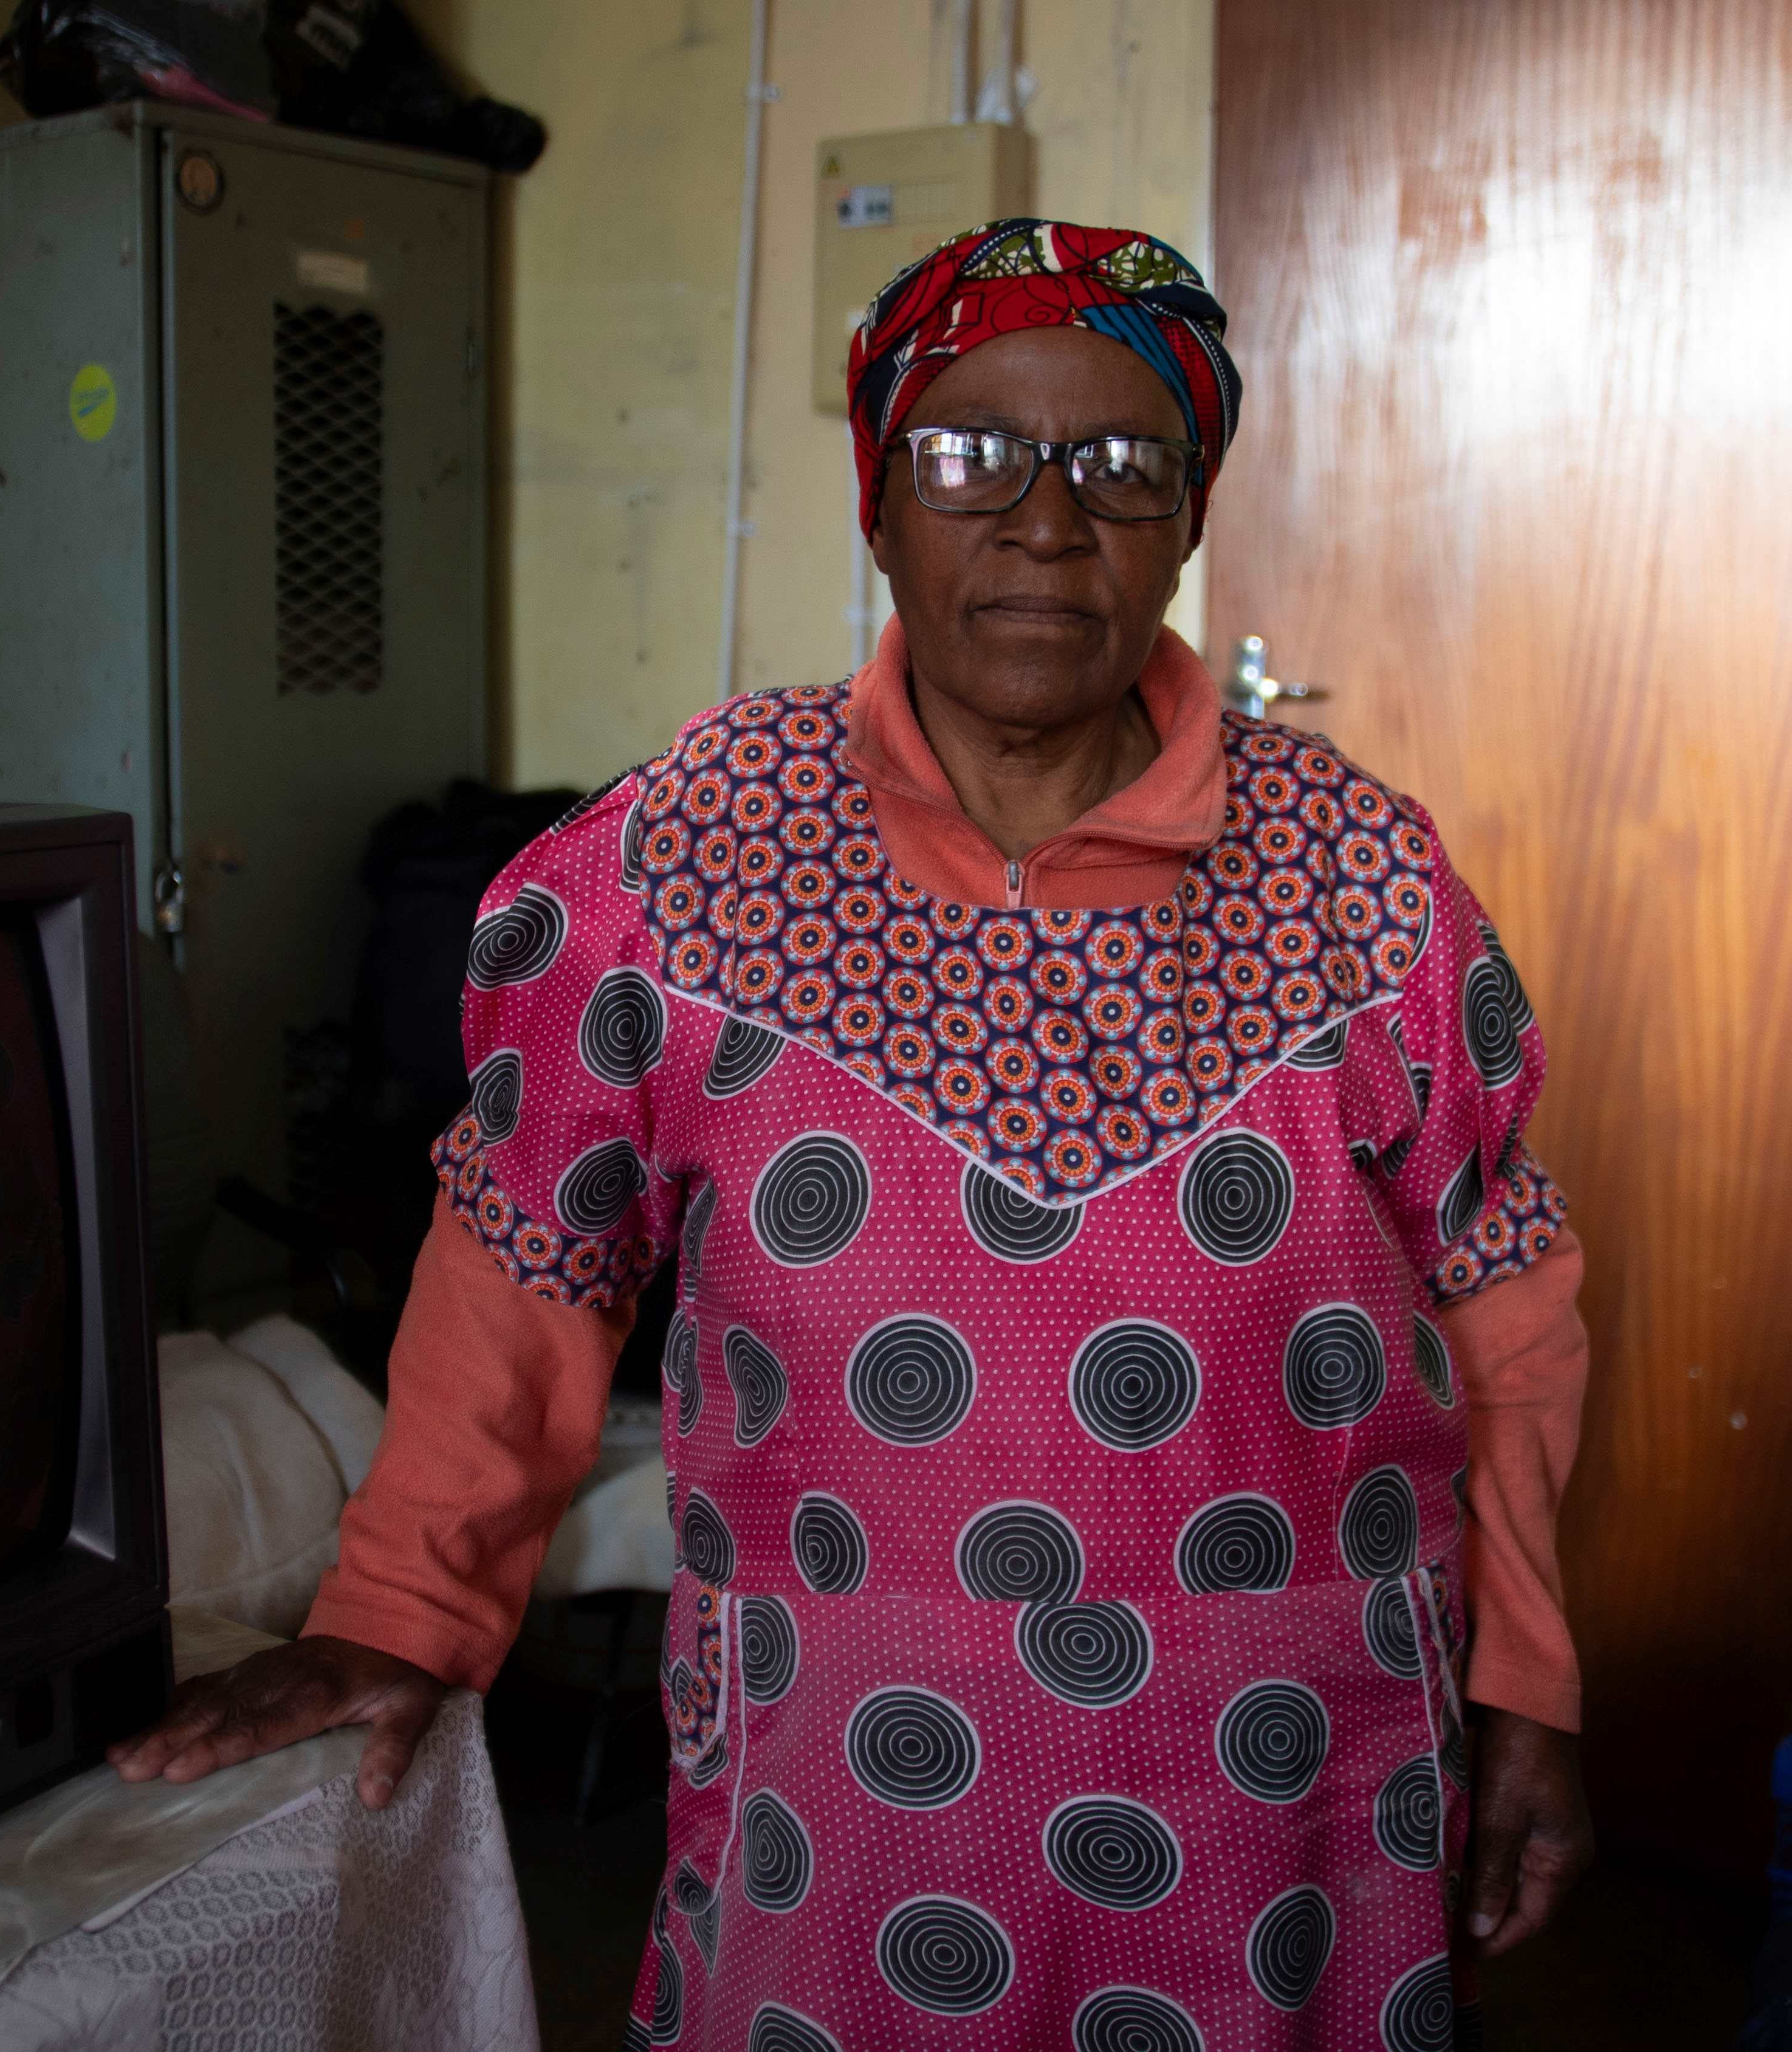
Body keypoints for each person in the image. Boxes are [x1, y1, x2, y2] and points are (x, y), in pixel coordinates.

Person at [112, 218, 1595, 2048]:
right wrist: (403, 1612)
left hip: (1284, 1800)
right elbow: (523, 1267)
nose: (1047, 524)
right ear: (878, 501)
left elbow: (1508, 1309)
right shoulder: (678, 860)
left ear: (1195, 514)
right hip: (857, 1814)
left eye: (1124, 466)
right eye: (970, 455)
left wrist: (1528, 1683)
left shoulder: (1365, 879)